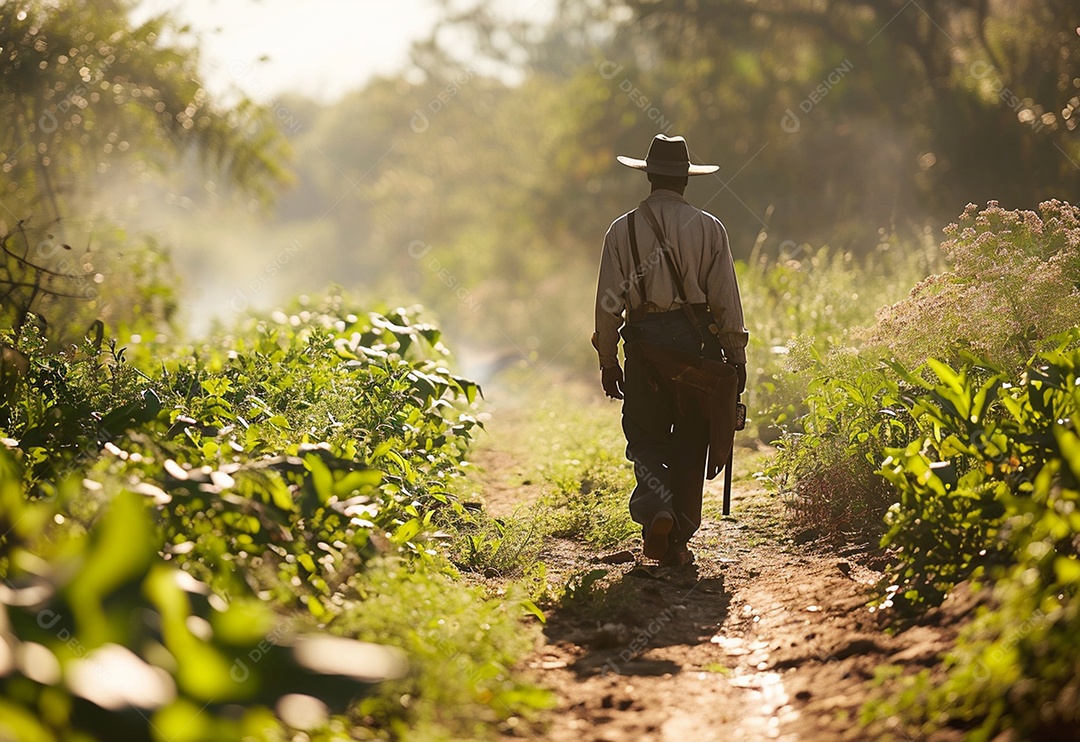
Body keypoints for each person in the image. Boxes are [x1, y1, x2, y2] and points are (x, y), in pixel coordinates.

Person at [592, 134, 748, 566]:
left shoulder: (621, 230)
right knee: (692, 440)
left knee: (645, 436)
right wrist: (736, 357)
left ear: (649, 176)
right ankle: (678, 539)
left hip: (644, 347)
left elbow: (608, 304)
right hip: (697, 348)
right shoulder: (710, 228)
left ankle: (655, 509)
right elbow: (725, 301)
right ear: (684, 180)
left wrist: (608, 359)